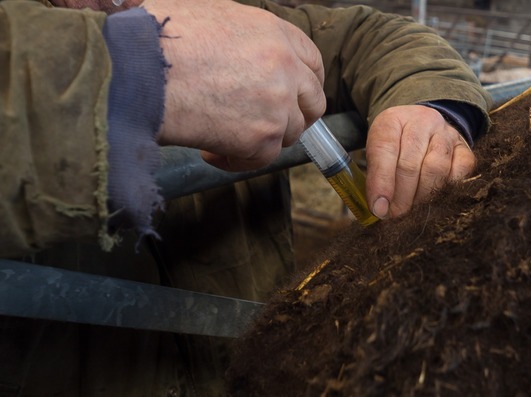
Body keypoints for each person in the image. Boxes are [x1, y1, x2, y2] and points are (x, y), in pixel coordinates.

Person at [0, 0, 492, 395]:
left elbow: (365, 36)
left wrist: (431, 104)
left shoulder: (223, 9)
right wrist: (131, 72)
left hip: (252, 363)